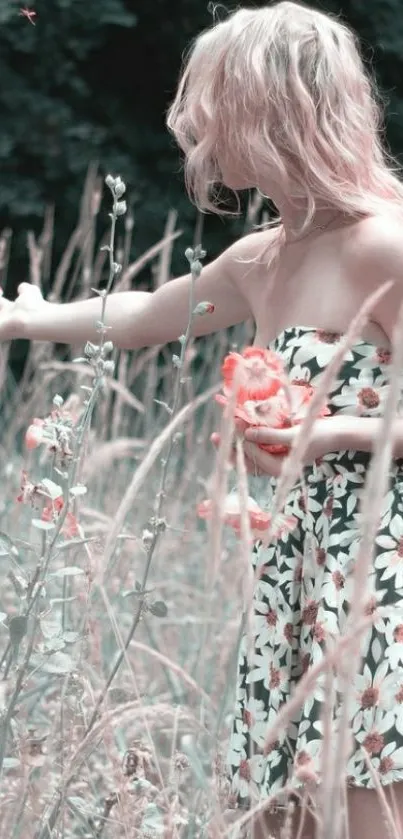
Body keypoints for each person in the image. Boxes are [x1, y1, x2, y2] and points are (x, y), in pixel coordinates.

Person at [2, 2, 403, 836]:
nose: (193, 130)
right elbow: (147, 311)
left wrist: (328, 436)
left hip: (376, 568)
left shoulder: (384, 245)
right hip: (289, 565)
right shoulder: (263, 255)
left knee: (365, 799)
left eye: (212, 108)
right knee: (272, 804)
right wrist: (27, 318)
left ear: (272, 115)